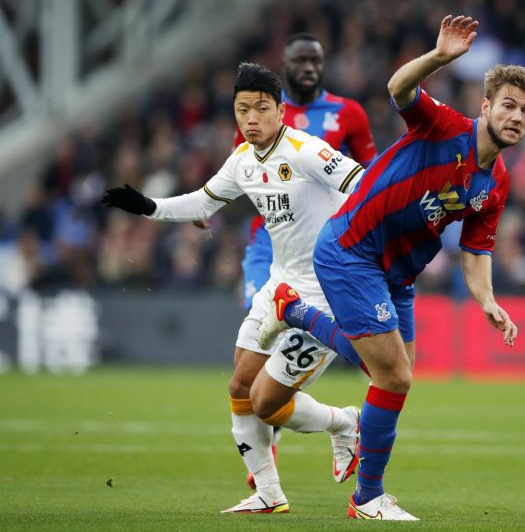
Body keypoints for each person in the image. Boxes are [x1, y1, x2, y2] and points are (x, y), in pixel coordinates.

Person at [257, 15, 525, 520]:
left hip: (398, 274)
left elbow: (476, 250)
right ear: (485, 106)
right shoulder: (444, 126)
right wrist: (439, 57)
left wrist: (487, 300)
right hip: (351, 250)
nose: (516, 117)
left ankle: (295, 313)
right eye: (508, 105)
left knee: (392, 374)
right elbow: (398, 89)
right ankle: (367, 498)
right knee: (394, 378)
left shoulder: (496, 183)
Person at [102, 62, 369, 514]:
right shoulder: (243, 160)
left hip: (327, 295)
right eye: (242, 109)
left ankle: (345, 423)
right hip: (279, 287)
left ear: (281, 111)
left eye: (261, 108)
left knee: (266, 402)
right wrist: (147, 206)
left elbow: (365, 184)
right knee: (241, 386)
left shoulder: (307, 151)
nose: (251, 118)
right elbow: (203, 202)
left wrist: (363, 244)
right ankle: (268, 493)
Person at [230, 33, 377, 489]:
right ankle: (269, 437)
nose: (309, 67)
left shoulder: (348, 113)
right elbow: (241, 169)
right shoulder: (260, 111)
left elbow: (369, 173)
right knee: (255, 348)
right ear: (286, 64)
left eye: (316, 60)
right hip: (269, 246)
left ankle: (277, 415)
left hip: (323, 248)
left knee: (271, 373)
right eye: (300, 60)